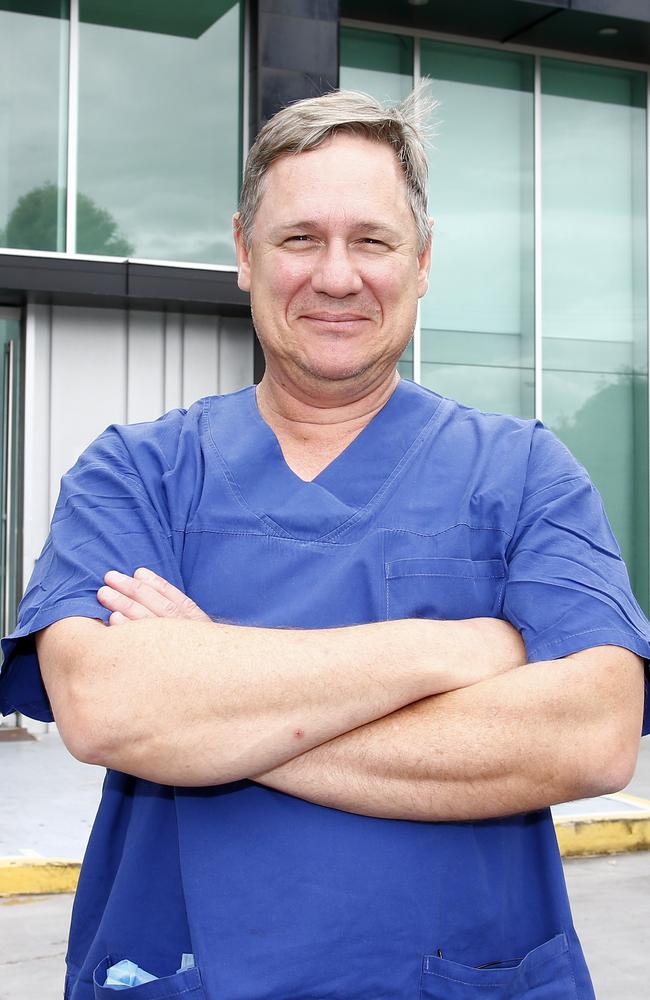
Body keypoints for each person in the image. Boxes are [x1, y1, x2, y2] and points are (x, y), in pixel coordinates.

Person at [1, 85, 649, 1000]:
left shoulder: (524, 474)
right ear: (243, 253)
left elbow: (593, 734)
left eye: (373, 241)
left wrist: (207, 703)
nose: (336, 276)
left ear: (422, 263)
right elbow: (110, 711)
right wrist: (456, 649)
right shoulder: (136, 473)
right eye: (300, 238)